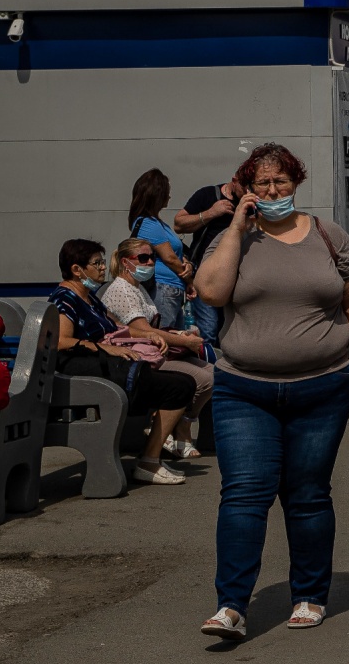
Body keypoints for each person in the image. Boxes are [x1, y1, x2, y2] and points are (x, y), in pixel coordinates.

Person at [192, 143, 349, 640]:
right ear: (246, 190)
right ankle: (231, 605)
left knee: (308, 495)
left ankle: (310, 595)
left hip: (322, 388)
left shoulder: (326, 235)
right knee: (243, 496)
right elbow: (210, 292)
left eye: (281, 183)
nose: (273, 192)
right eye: (262, 184)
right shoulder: (234, 239)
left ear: (296, 183)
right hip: (243, 391)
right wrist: (234, 226)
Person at [48, 240, 199, 485]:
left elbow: (118, 329)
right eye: (96, 263)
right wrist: (104, 348)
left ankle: (150, 459)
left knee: (183, 383)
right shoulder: (64, 299)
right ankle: (148, 462)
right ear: (77, 269)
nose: (103, 268)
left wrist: (149, 334)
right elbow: (61, 342)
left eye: (102, 261)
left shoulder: (90, 298)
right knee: (180, 386)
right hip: (85, 373)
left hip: (108, 366)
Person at [102, 238, 214, 459]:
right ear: (126, 262)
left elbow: (152, 329)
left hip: (152, 351)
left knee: (212, 371)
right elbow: (143, 332)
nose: (151, 262)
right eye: (143, 258)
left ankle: (180, 427)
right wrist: (185, 342)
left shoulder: (137, 287)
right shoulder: (123, 291)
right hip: (139, 359)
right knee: (205, 379)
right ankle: (179, 430)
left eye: (152, 257)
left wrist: (179, 335)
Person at [173, 171, 247, 348]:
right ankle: (208, 370)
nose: (248, 192)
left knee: (230, 328)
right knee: (209, 328)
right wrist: (210, 213)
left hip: (236, 275)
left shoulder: (250, 203)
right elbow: (178, 224)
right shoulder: (208, 195)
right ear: (234, 181)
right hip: (206, 273)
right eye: (245, 187)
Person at [129, 169, 194, 328]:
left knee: (175, 341)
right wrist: (190, 281)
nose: (169, 197)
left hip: (172, 289)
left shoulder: (158, 224)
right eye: (167, 193)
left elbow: (177, 254)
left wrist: (188, 265)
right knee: (164, 338)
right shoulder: (148, 224)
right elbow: (170, 258)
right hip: (163, 288)